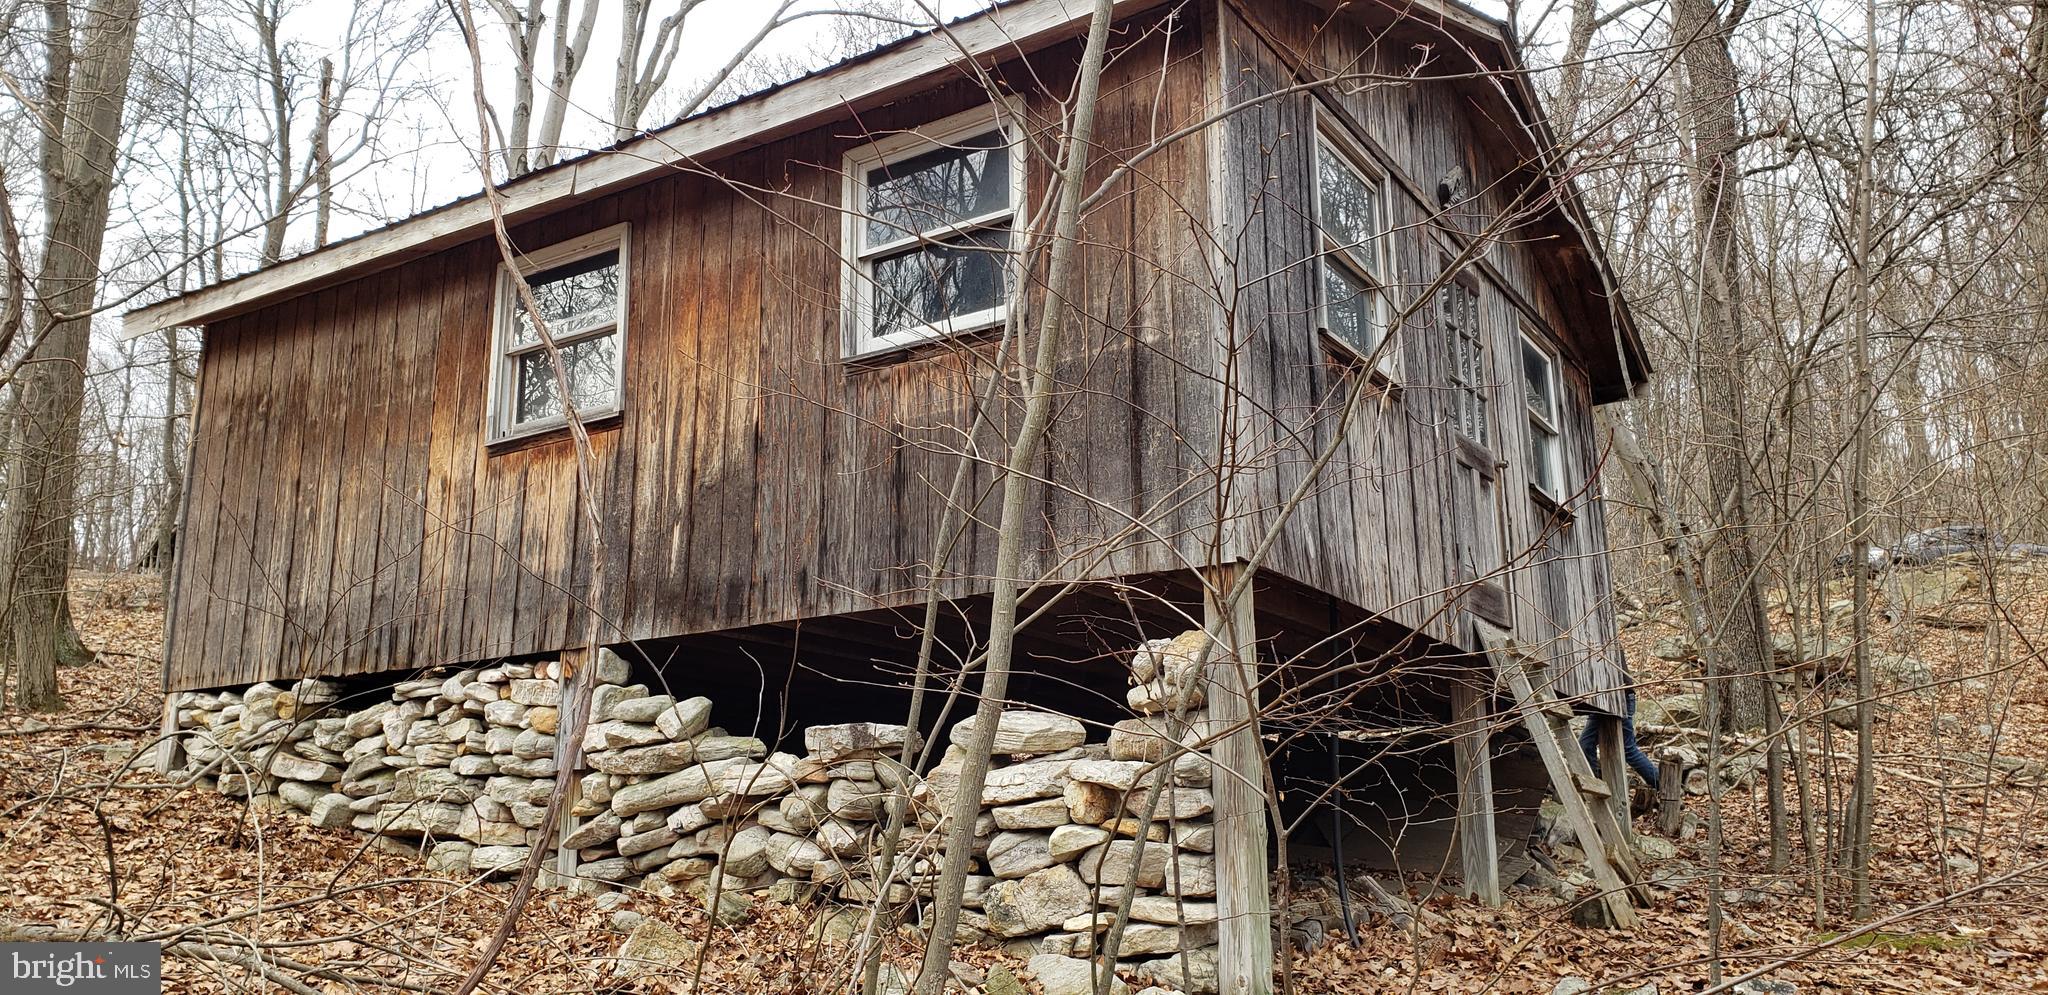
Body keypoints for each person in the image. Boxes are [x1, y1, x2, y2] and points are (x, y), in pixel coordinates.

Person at [1580, 651, 1660, 786]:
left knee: (1627, 749)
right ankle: (1594, 785)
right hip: (1602, 700)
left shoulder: (1603, 638)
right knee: (1586, 744)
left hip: (1619, 697)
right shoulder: (1594, 637)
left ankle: (1662, 784)